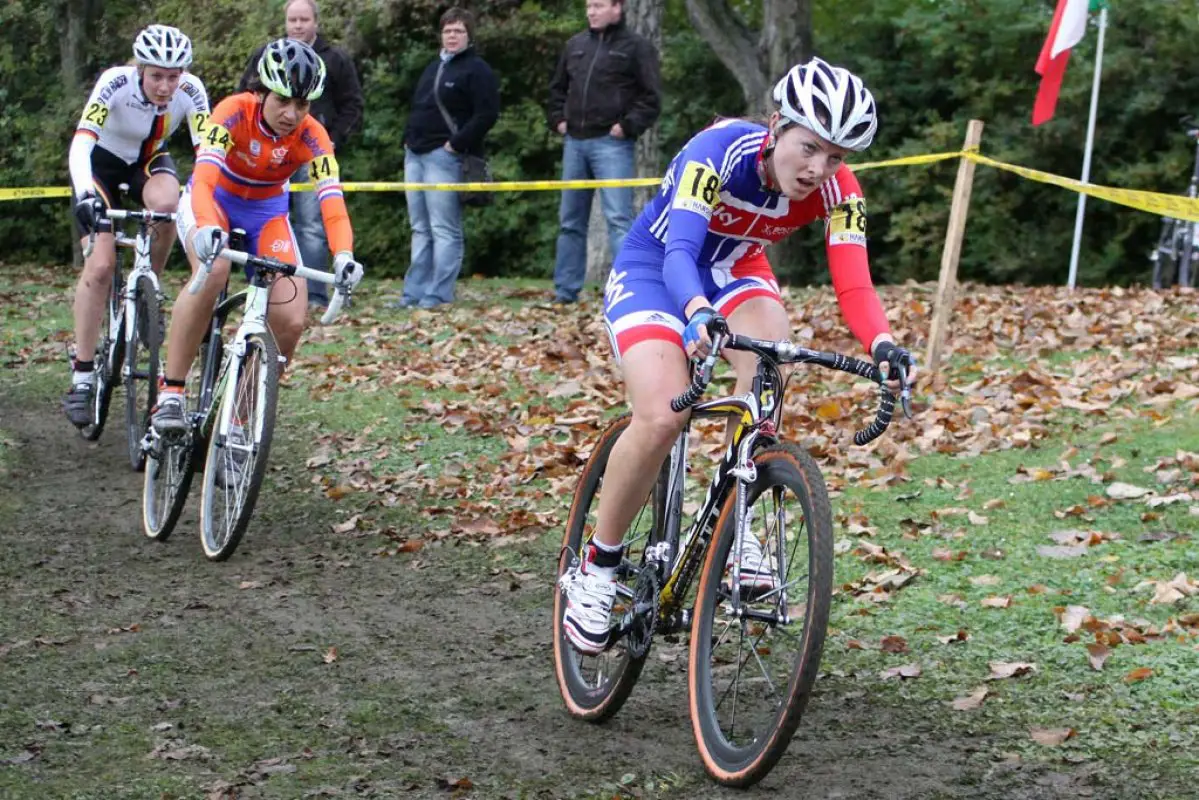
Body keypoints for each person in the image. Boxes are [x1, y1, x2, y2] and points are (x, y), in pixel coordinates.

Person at [559, 57, 918, 655]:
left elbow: (854, 283)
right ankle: (598, 566)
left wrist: (881, 344)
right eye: (808, 147)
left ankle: (742, 517)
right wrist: (696, 310)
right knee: (663, 416)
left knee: (772, 362)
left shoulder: (840, 191)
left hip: (736, 269)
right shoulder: (718, 150)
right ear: (776, 125)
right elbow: (678, 249)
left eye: (835, 157)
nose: (818, 168)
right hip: (657, 266)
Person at [152, 39, 364, 471]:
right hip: (214, 202)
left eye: (302, 104)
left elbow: (332, 201)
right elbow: (206, 178)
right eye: (283, 100)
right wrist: (210, 228)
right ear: (263, 91)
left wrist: (343, 255)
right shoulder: (232, 110)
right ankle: (170, 394)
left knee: (289, 318)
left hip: (267, 212)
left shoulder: (313, 135)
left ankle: (237, 425)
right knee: (214, 274)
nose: (292, 113)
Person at [63, 24, 209, 429]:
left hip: (147, 162)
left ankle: (149, 292)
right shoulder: (115, 83)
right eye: (157, 76)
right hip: (100, 169)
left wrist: (208, 203)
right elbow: (81, 144)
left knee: (168, 202)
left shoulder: (192, 91)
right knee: (101, 266)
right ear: (141, 69)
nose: (165, 87)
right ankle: (83, 374)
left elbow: (208, 156)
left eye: (173, 76)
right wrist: (85, 195)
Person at [237, 0, 363, 310]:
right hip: (264, 151)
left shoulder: (335, 58)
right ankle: (255, 287)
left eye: (303, 19)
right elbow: (243, 97)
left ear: (315, 22)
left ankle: (316, 294)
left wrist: (332, 140)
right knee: (251, 215)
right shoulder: (266, 55)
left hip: (310, 152)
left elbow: (353, 104)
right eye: (292, 19)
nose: (297, 25)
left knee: (311, 223)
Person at [546, 0, 660, 305]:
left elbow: (651, 98)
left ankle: (630, 292)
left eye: (597, 5)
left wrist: (627, 126)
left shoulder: (637, 47)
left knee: (619, 220)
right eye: (587, 6)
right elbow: (556, 89)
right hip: (575, 142)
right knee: (570, 221)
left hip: (612, 144)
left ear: (617, 8)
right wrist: (557, 120)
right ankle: (565, 291)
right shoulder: (575, 45)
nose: (591, 12)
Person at [396, 8, 499, 309]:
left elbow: (487, 114)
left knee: (444, 229)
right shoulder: (432, 67)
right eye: (448, 31)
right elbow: (418, 106)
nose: (452, 36)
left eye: (458, 31)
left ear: (469, 35)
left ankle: (438, 294)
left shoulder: (477, 70)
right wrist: (407, 139)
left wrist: (456, 144)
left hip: (445, 157)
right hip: (415, 154)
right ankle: (412, 294)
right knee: (420, 228)